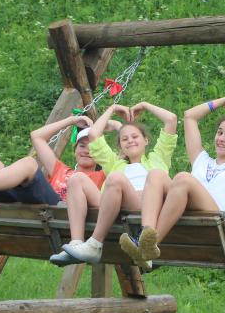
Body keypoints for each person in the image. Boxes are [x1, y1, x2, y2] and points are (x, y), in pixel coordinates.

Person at [118, 96, 225, 271]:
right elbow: (190, 117)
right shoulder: (202, 160)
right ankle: (145, 238)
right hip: (189, 215)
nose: (221, 138)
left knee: (183, 178)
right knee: (155, 174)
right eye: (220, 132)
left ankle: (150, 244)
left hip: (218, 224)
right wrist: (223, 101)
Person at [51, 102, 178, 265]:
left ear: (146, 140)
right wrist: (112, 108)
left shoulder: (158, 158)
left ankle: (95, 244)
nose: (130, 141)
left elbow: (171, 119)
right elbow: (94, 134)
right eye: (124, 139)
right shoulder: (115, 163)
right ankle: (76, 242)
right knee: (76, 179)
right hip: (114, 202)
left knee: (116, 178)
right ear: (120, 147)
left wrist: (145, 105)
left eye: (135, 137)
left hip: (144, 206)